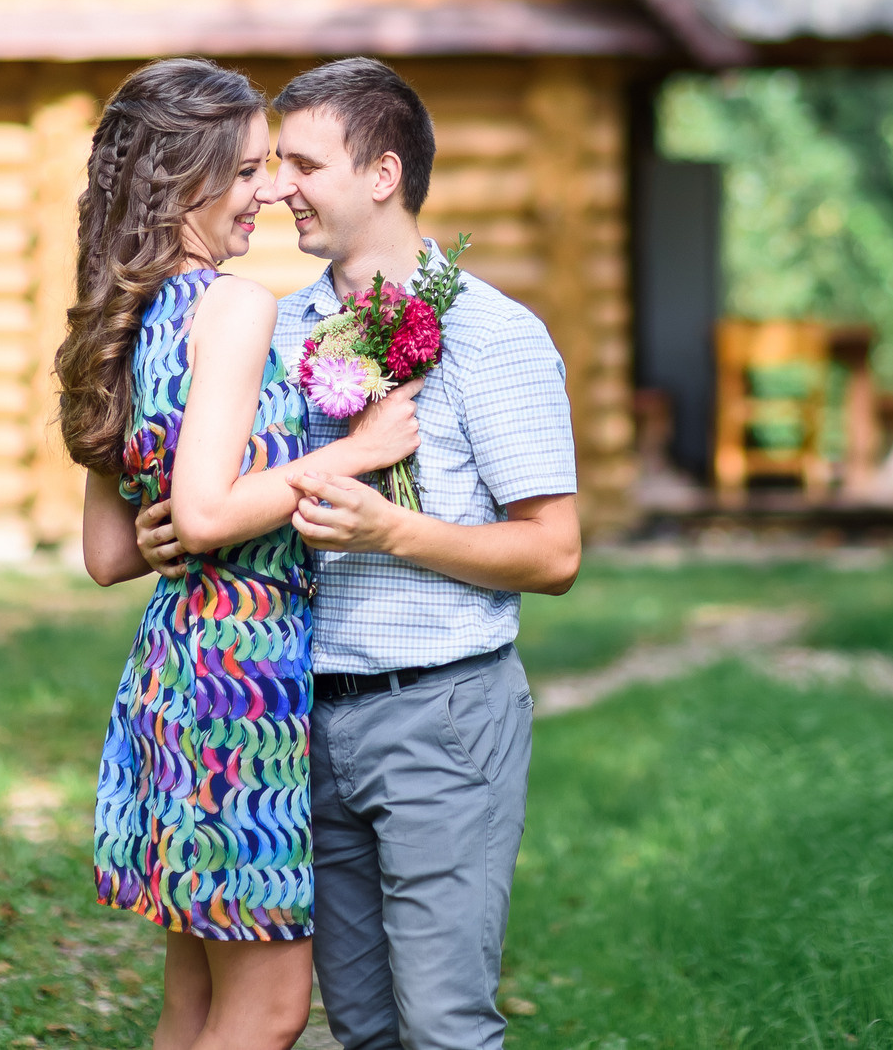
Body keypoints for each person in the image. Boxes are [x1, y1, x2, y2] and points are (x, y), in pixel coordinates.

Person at [59, 57, 424, 1050]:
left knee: (193, 999)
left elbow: (106, 550)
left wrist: (175, 515)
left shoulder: (121, 317)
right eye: (251, 170)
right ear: (187, 177)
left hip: (171, 670)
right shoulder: (234, 303)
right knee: (266, 1007)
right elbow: (213, 509)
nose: (269, 192)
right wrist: (351, 450)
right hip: (239, 682)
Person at [269, 57, 582, 1050]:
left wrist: (389, 527)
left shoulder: (494, 334)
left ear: (382, 173)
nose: (278, 186)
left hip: (442, 715)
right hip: (303, 719)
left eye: (303, 162)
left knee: (443, 1024)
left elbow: (554, 550)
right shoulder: (276, 333)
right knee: (361, 1026)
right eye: (275, 162)